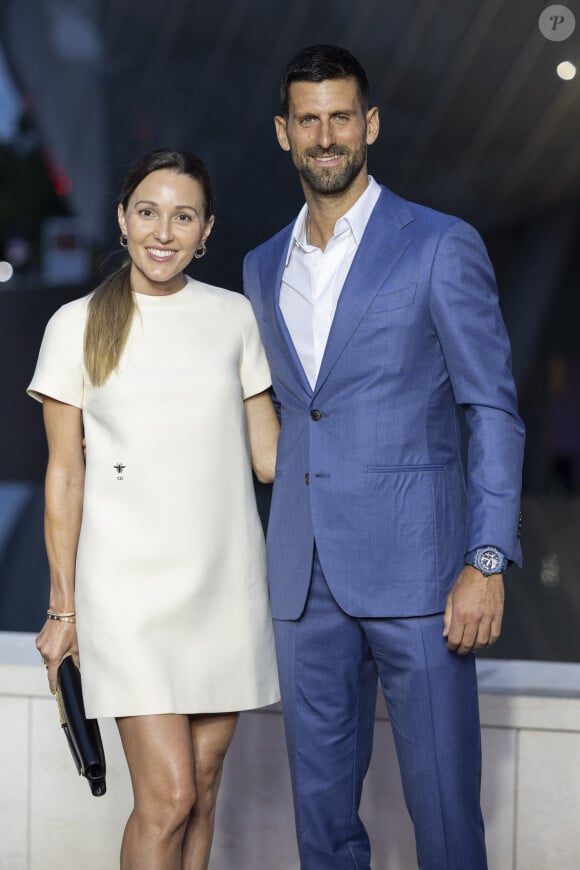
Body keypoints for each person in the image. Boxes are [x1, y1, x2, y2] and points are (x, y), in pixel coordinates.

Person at [243, 44, 525, 869]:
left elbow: (493, 411)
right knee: (322, 829)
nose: (324, 135)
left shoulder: (440, 245)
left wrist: (485, 558)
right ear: (282, 133)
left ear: (368, 124)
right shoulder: (262, 267)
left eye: (340, 116)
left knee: (444, 820)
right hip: (304, 581)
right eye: (307, 119)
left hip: (423, 579)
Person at [30, 149, 280, 870]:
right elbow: (64, 478)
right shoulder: (75, 324)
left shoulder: (234, 317)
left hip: (224, 589)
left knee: (202, 789)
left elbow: (271, 459)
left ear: (206, 231)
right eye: (147, 212)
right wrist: (63, 608)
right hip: (128, 600)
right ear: (122, 219)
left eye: (182, 216)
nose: (162, 231)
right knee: (167, 797)